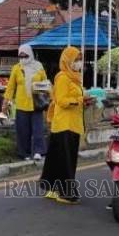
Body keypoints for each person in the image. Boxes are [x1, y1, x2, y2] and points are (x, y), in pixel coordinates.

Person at [41, 46, 87, 205]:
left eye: (80, 59)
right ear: (67, 61)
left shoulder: (75, 78)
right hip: (65, 125)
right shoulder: (62, 77)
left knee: (57, 158)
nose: (79, 62)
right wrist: (81, 100)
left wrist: (86, 100)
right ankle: (65, 193)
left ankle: (52, 189)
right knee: (66, 160)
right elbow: (61, 101)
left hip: (71, 124)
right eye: (76, 59)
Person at [4, 44, 47, 160]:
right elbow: (11, 87)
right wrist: (6, 101)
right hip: (22, 104)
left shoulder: (38, 66)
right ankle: (25, 153)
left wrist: (49, 97)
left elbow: (45, 82)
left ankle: (39, 151)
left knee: (38, 129)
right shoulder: (17, 68)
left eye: (25, 56)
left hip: (36, 103)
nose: (23, 59)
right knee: (23, 131)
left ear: (30, 55)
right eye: (20, 56)